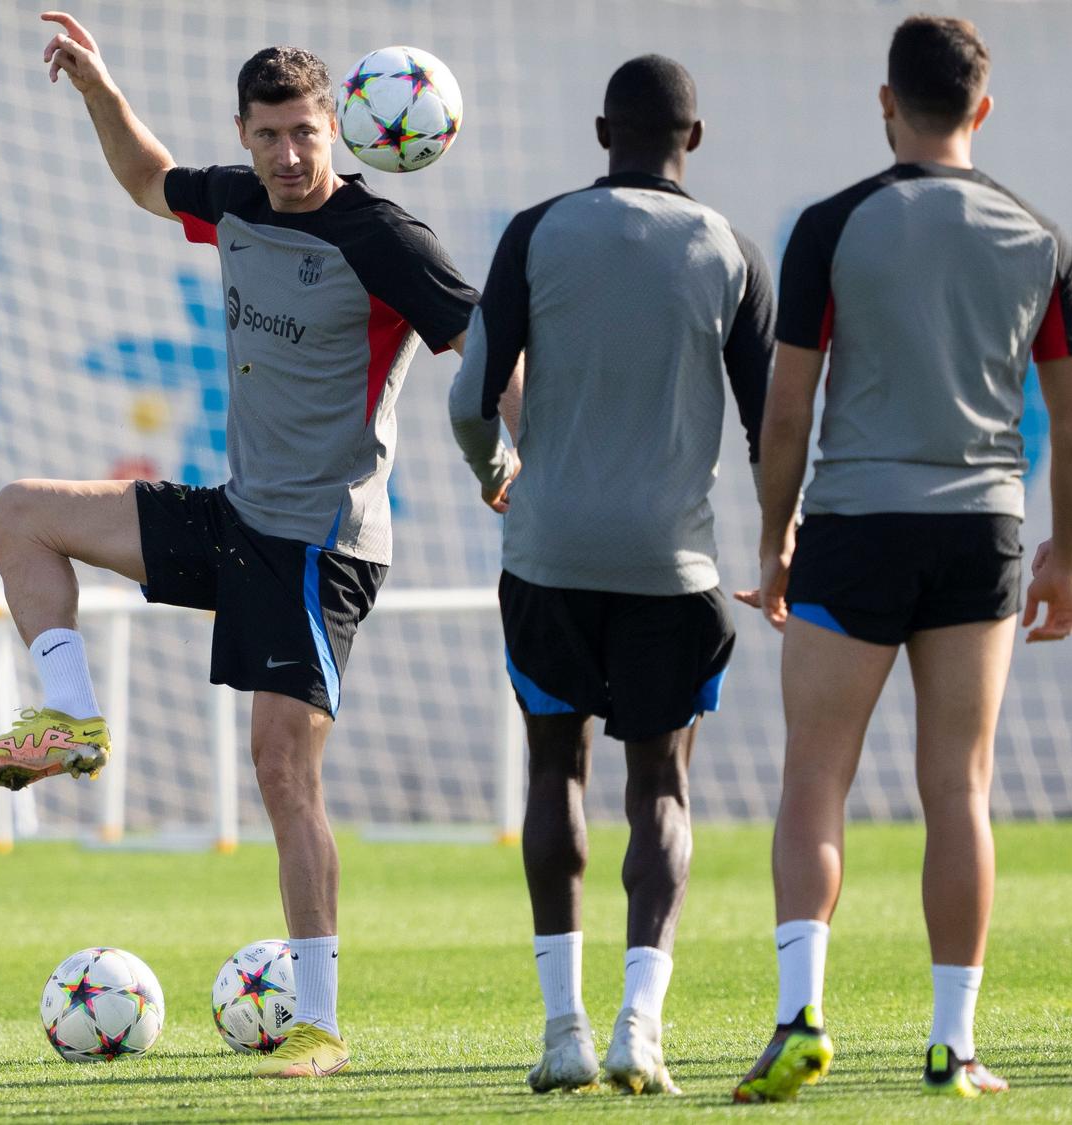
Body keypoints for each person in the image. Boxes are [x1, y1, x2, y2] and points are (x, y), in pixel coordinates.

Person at [0, 10, 479, 1078]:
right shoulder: (237, 201)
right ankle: (67, 722)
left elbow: (482, 349)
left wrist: (507, 453)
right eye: (268, 135)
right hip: (238, 515)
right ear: (242, 135)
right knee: (18, 513)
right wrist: (99, 88)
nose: (289, 156)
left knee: (279, 771)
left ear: (337, 128)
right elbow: (149, 179)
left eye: (305, 133)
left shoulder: (383, 239)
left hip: (318, 543)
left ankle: (321, 1026)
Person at [730, 15, 1072, 1101]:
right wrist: (1064, 557)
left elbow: (786, 410)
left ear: (885, 102)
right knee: (959, 788)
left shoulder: (832, 225)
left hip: (853, 523)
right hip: (980, 531)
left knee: (813, 780)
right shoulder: (1039, 234)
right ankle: (954, 1046)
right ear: (980, 110)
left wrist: (772, 534)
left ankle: (799, 1018)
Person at [448, 55, 771, 1096]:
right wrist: (777, 547)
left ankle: (561, 1032)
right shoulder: (730, 250)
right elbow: (777, 429)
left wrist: (498, 470)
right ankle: (641, 1026)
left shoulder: (536, 232)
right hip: (672, 567)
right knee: (659, 788)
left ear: (601, 131)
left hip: (549, 555)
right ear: (694, 138)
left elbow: (470, 396)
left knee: (554, 775)